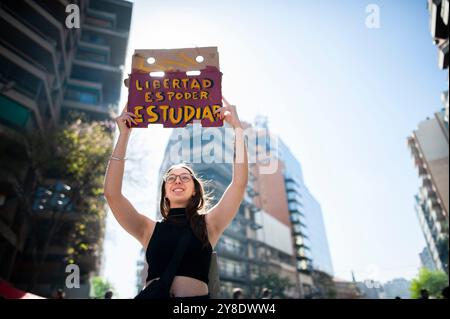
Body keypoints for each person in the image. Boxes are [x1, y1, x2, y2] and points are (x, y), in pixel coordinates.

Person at [104, 97, 248, 299]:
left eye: (184, 177)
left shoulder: (209, 224)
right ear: (165, 191)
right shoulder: (148, 229)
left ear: (195, 190)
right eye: (171, 177)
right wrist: (124, 136)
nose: (177, 180)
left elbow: (239, 184)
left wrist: (238, 131)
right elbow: (112, 195)